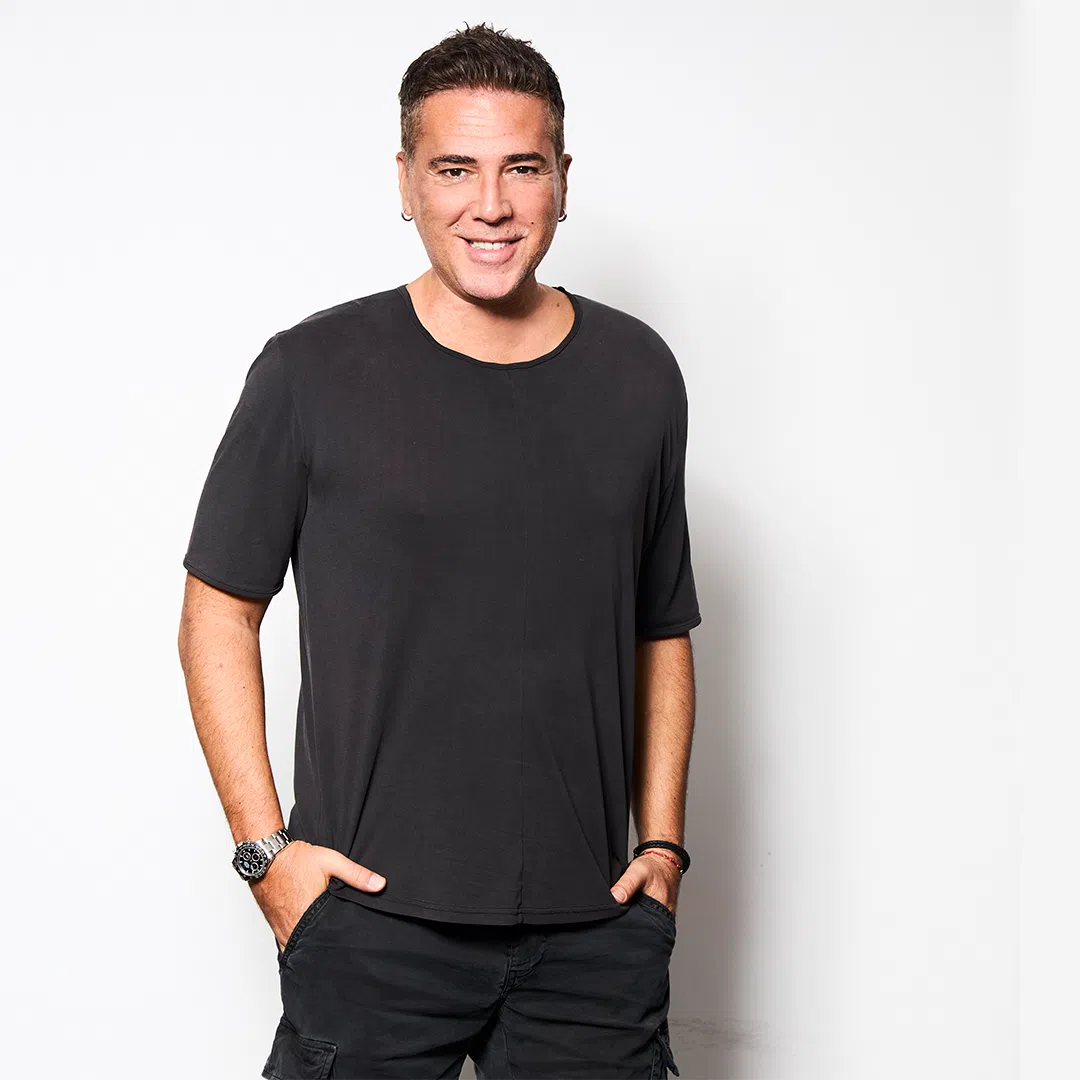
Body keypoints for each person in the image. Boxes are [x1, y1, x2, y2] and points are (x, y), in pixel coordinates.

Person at [178, 21, 700, 1079]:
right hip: (370, 925)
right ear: (406, 183)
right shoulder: (311, 372)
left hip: (593, 937)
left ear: (562, 180)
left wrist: (662, 849)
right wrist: (266, 856)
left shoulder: (639, 374)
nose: (490, 204)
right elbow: (216, 612)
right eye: (455, 168)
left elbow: (661, 628)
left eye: (523, 167)